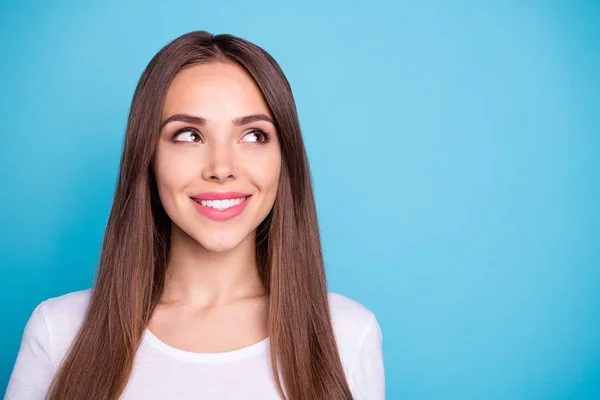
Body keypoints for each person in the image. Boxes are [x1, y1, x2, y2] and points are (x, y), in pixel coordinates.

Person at [4, 30, 385, 400]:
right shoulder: (58, 331)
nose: (221, 167)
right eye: (189, 135)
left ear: (284, 159)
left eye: (253, 135)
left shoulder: (349, 336)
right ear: (148, 157)